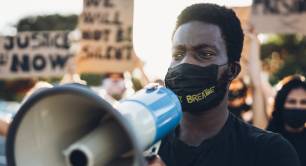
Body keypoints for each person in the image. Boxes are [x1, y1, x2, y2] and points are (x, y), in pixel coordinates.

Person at [148, 3, 300, 166]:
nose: (185, 63)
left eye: (205, 54)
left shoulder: (269, 152)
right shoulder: (143, 143)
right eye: (177, 54)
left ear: (232, 70)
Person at [267, 75, 306, 166]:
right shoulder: (268, 136)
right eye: (292, 102)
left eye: (303, 102)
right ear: (281, 103)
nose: (298, 106)